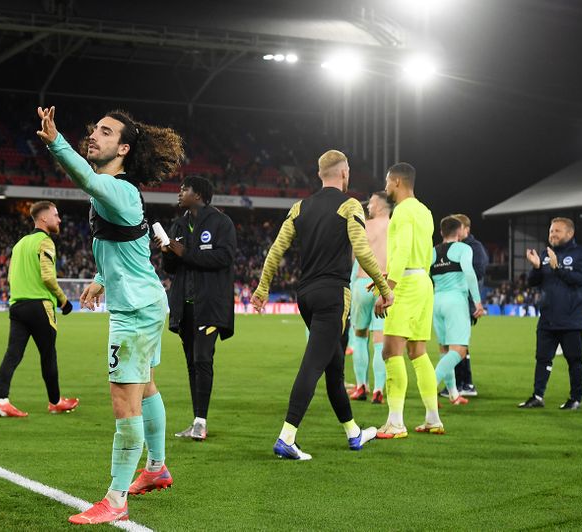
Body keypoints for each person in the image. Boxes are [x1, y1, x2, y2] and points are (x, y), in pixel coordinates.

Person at [37, 106, 183, 524]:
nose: (94, 136)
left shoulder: (116, 189)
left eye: (105, 132)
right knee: (147, 386)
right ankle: (156, 468)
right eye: (94, 128)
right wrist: (101, 276)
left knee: (124, 400)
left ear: (122, 147)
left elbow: (84, 176)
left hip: (134, 311)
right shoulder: (115, 190)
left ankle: (116, 500)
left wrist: (56, 143)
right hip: (145, 301)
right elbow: (124, 244)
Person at [252, 150, 392, 460]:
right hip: (333, 296)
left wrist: (263, 287)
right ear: (344, 173)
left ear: (319, 175)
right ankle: (287, 436)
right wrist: (384, 288)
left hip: (306, 295)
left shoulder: (300, 207)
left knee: (334, 367)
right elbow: (363, 250)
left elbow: (276, 251)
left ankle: (353, 432)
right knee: (314, 364)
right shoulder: (349, 204)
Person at [158, 175, 237, 441]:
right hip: (184, 305)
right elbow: (170, 269)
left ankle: (201, 421)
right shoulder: (179, 224)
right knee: (192, 362)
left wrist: (184, 253)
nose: (180, 192)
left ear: (199, 194)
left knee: (203, 358)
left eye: (185, 188)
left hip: (210, 305)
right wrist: (167, 253)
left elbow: (225, 257)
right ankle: (196, 421)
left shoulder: (221, 222)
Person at [375, 162, 445, 439]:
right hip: (423, 281)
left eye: (387, 182)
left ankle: (395, 423)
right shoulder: (425, 211)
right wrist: (389, 274)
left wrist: (389, 287)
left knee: (390, 351)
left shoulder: (402, 211)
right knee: (418, 352)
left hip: (405, 285)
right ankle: (433, 418)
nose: (385, 187)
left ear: (397, 182)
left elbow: (403, 248)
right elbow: (421, 252)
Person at [0, 201, 79, 417]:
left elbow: (11, 276)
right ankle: (55, 402)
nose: (59, 220)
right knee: (48, 355)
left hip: (17, 306)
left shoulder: (19, 244)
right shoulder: (45, 241)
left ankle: (1, 400)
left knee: (12, 354)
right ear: (43, 218)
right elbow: (48, 277)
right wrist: (63, 301)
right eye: (56, 215)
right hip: (40, 306)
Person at [518, 217, 582, 410]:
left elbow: (579, 279)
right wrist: (536, 267)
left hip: (571, 319)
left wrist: (557, 267)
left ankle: (575, 398)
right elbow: (532, 282)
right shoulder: (545, 254)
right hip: (547, 318)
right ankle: (537, 396)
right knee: (542, 359)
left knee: (574, 360)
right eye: (551, 231)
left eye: (557, 231)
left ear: (570, 233)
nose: (552, 234)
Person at [430, 216, 484, 406]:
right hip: (456, 301)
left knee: (445, 349)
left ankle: (453, 394)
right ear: (460, 231)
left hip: (436, 301)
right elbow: (469, 273)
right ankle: (430, 387)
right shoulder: (463, 249)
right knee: (459, 351)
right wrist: (477, 302)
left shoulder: (432, 252)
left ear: (441, 232)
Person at [347, 191, 391, 404]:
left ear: (382, 205)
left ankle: (361, 386)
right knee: (380, 339)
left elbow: (355, 255)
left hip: (363, 283)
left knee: (359, 335)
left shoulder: (365, 225)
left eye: (372, 202)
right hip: (384, 284)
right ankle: (379, 389)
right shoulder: (396, 227)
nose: (369, 206)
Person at [450, 213, 489, 397]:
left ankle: (466, 383)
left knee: (459, 342)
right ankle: (460, 383)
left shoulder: (475, 248)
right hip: (454, 300)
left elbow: (479, 271)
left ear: (466, 229)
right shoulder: (454, 246)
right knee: (455, 342)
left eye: (458, 228)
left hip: (466, 302)